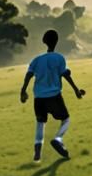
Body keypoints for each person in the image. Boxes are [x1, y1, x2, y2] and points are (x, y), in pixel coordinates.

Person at [19, 29, 85, 162]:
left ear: (44, 41)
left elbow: (29, 75)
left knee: (40, 123)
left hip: (38, 98)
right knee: (66, 119)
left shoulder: (36, 60)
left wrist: (23, 91)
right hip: (54, 96)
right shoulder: (59, 58)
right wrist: (76, 90)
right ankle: (58, 138)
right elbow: (65, 75)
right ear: (57, 42)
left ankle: (37, 152)